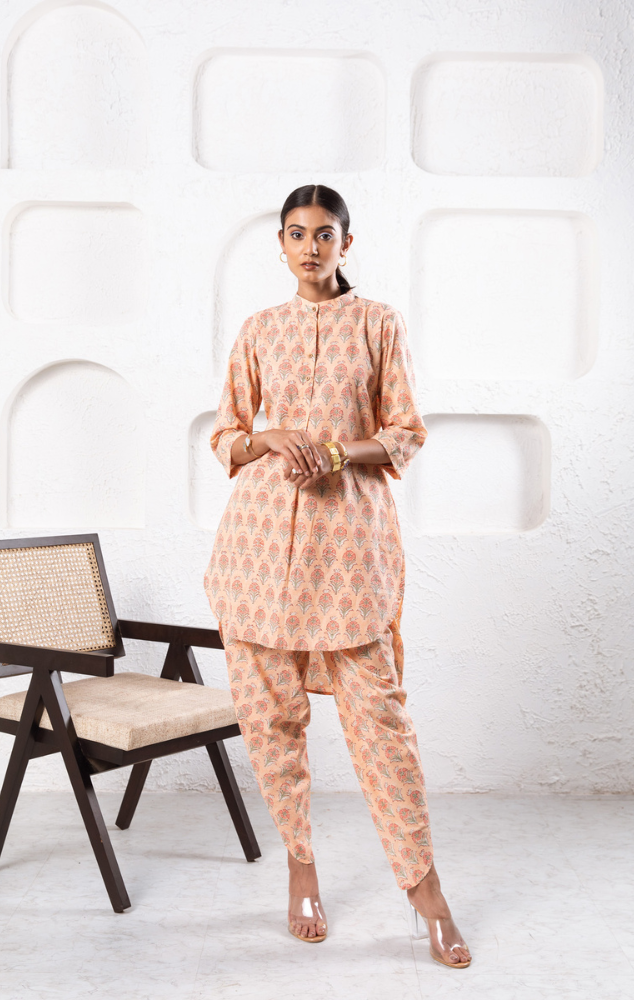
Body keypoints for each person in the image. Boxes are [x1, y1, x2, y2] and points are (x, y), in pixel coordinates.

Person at [204, 184, 471, 968]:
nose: (310, 247)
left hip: (349, 547)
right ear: (281, 244)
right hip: (258, 550)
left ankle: (426, 891)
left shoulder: (378, 323)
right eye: (297, 234)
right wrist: (269, 438)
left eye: (325, 234)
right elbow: (225, 435)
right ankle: (300, 865)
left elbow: (405, 433)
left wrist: (336, 451)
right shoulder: (259, 330)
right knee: (271, 719)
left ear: (346, 244)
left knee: (381, 724)